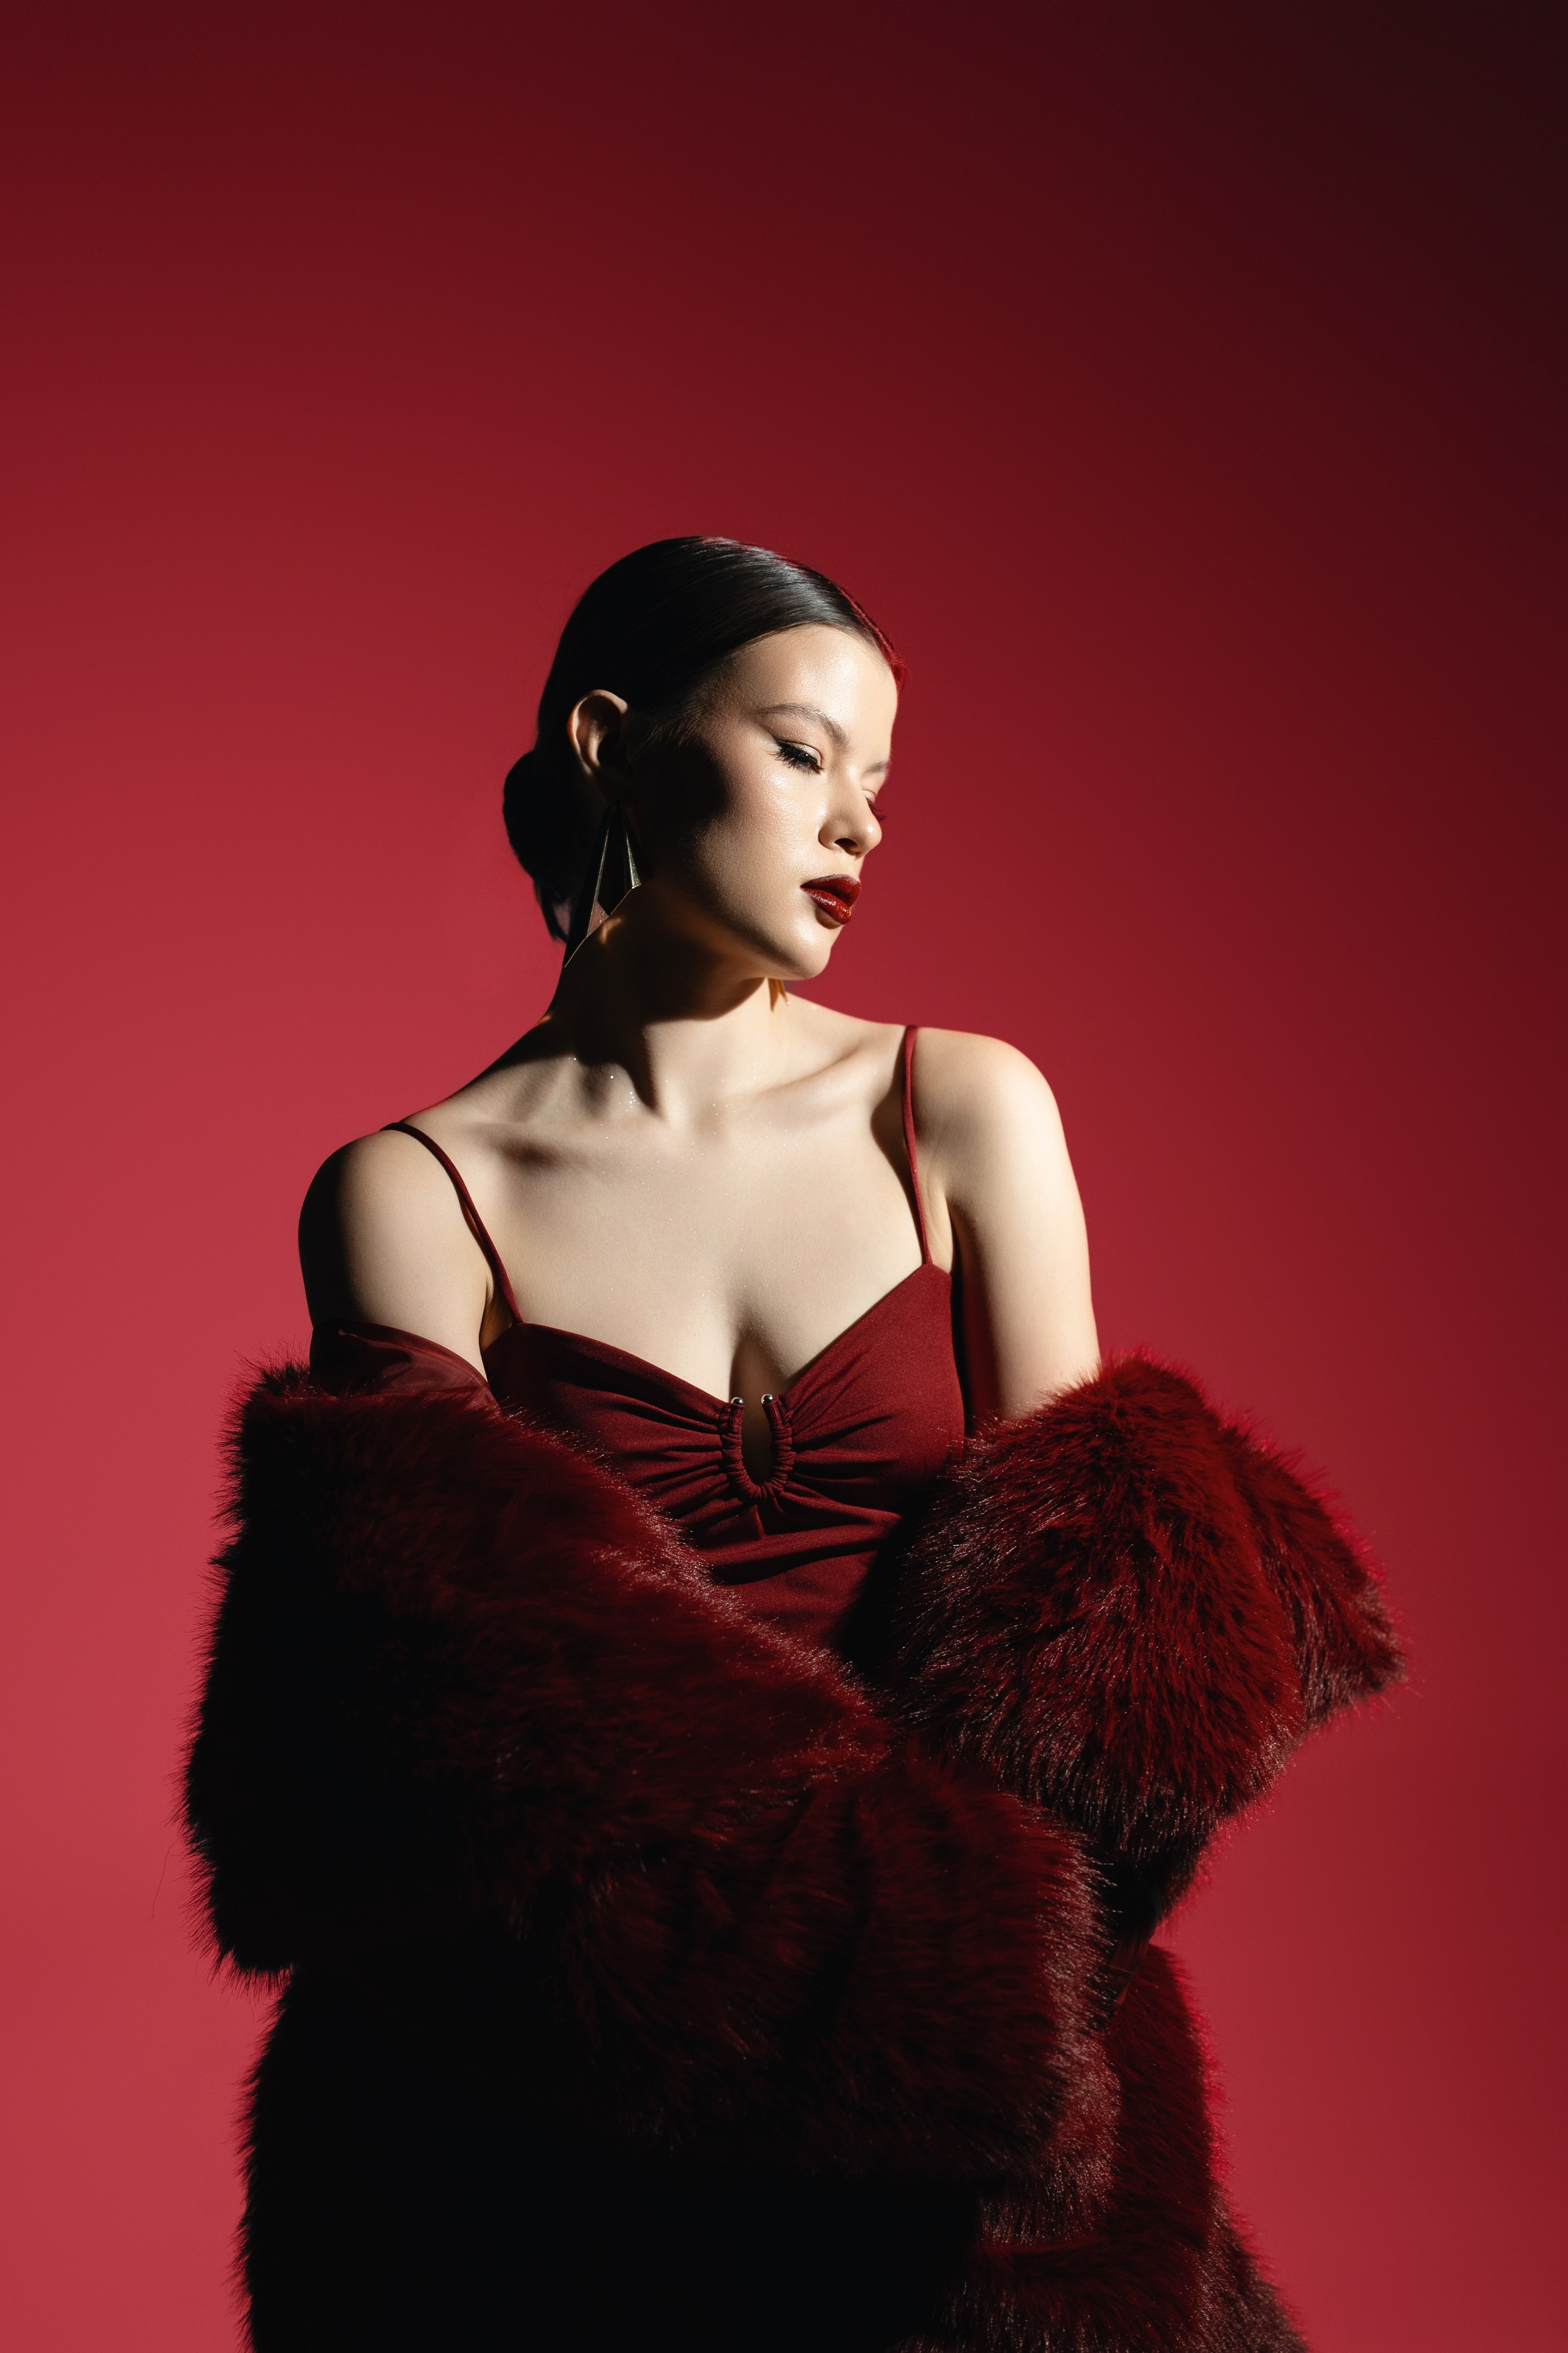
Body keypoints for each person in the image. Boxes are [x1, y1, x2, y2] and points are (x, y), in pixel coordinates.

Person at [186, 537, 1401, 2352]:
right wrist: (764, 1992)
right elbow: (420, 1724)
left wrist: (942, 1986)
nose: (860, 823)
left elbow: (1103, 1650)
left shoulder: (962, 1109)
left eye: (881, 782)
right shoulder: (414, 1192)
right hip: (578, 2104)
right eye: (803, 752)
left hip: (977, 2115)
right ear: (610, 740)